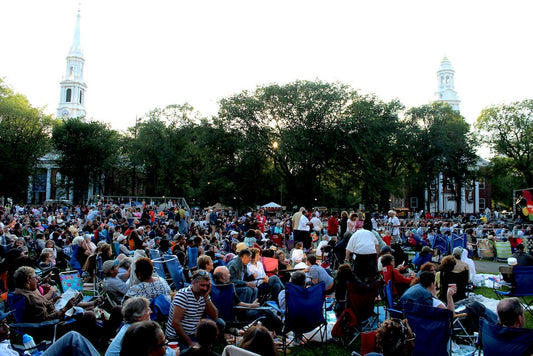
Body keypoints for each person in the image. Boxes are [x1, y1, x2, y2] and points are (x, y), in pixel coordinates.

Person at [0, 309, 100, 356]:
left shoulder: (4, 343)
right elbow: (43, 318)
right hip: (47, 325)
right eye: (1, 325)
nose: (7, 327)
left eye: (5, 323)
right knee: (73, 338)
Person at [213, 266, 282, 334]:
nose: (230, 275)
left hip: (223, 319)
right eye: (228, 273)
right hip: (239, 319)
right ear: (223, 277)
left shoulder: (214, 288)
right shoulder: (228, 288)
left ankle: (276, 331)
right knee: (264, 311)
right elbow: (239, 305)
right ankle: (280, 330)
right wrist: (252, 305)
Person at [166, 270, 221, 349]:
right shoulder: (183, 295)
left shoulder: (203, 295)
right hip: (178, 336)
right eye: (202, 285)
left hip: (194, 332)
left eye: (207, 285)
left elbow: (215, 317)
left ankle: (208, 347)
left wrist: (206, 298)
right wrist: (190, 343)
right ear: (194, 283)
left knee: (219, 323)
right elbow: (175, 323)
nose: (205, 288)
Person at [106, 297, 175, 356]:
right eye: (147, 310)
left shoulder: (128, 327)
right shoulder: (138, 332)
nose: (151, 312)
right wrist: (174, 352)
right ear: (138, 317)